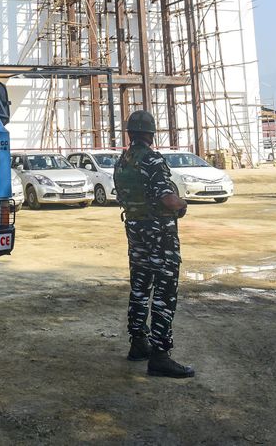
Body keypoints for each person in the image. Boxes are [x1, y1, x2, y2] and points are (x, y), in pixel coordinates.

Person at [113, 110, 194, 378]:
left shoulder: (122, 161)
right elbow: (167, 199)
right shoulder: (152, 160)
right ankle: (160, 354)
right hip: (159, 233)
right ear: (150, 134)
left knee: (139, 287)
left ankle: (138, 343)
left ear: (129, 133)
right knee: (164, 291)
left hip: (135, 232)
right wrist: (182, 204)